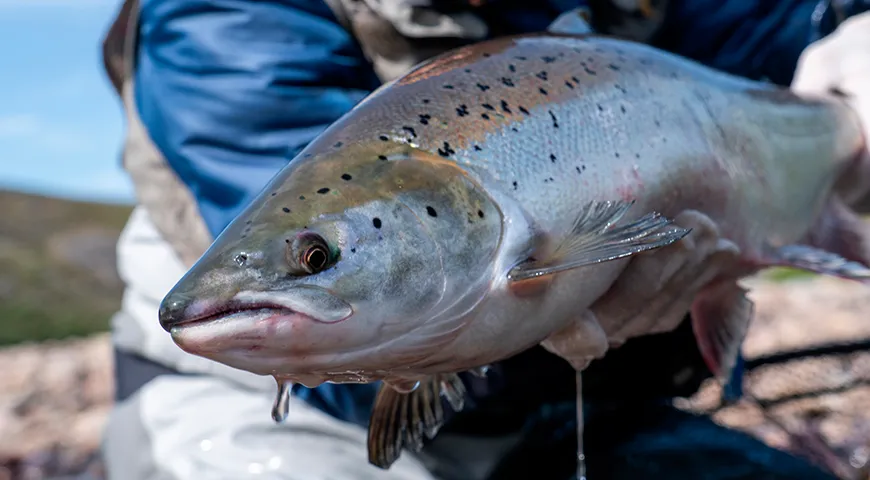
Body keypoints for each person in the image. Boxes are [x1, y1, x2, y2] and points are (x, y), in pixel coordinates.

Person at [97, 1, 870, 479]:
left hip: (570, 406)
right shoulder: (227, 18)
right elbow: (339, 284)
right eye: (315, 257)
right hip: (262, 404)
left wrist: (847, 36)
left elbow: (771, 29)